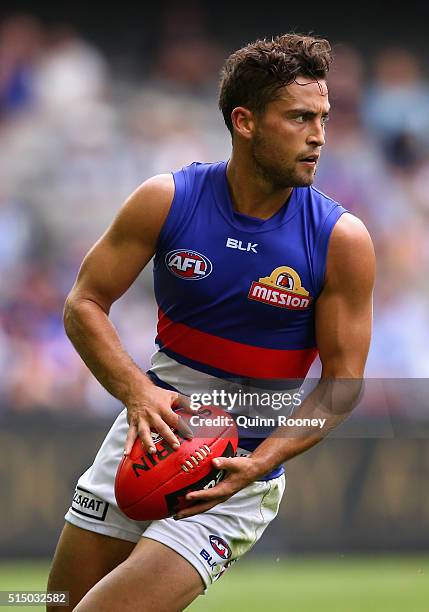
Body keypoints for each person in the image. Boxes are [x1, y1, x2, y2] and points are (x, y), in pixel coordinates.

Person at [47, 33, 375, 611]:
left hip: (237, 472)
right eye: (300, 118)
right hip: (147, 440)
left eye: (322, 117)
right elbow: (84, 303)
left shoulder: (339, 239)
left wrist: (263, 461)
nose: (319, 135)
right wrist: (138, 394)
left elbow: (342, 383)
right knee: (52, 606)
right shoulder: (166, 199)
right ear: (245, 122)